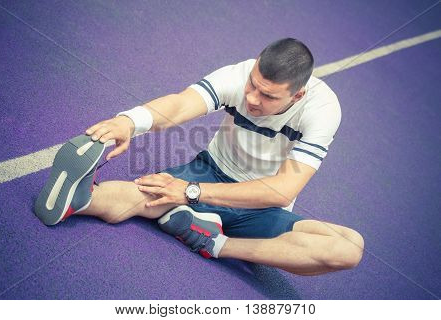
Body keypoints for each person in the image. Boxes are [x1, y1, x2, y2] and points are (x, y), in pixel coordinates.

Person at [35, 38, 364, 276]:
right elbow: (180, 104)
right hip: (211, 171)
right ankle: (80, 200)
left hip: (261, 206)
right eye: (252, 84)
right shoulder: (239, 75)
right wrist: (128, 122)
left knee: (349, 247)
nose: (251, 97)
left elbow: (283, 190)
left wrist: (191, 193)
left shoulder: (323, 110)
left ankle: (216, 243)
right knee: (146, 195)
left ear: (298, 94)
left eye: (267, 95)